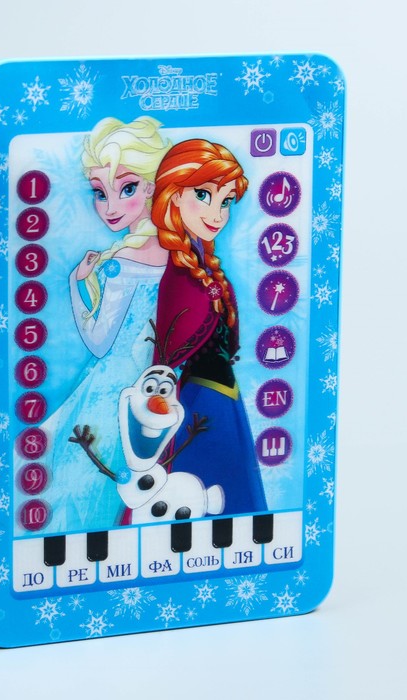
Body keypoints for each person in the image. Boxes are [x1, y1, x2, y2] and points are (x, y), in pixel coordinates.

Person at [41, 117, 172, 533]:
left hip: (110, 393)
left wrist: (76, 284)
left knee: (83, 490)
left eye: (126, 188)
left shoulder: (123, 263)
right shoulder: (175, 252)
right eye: (100, 193)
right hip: (158, 389)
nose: (110, 206)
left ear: (151, 186)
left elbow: (99, 342)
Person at [150, 139, 267, 515]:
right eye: (203, 195)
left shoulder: (199, 263)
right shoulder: (178, 274)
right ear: (173, 195)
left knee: (230, 496)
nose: (217, 213)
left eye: (226, 201)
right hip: (197, 404)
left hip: (218, 398)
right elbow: (168, 357)